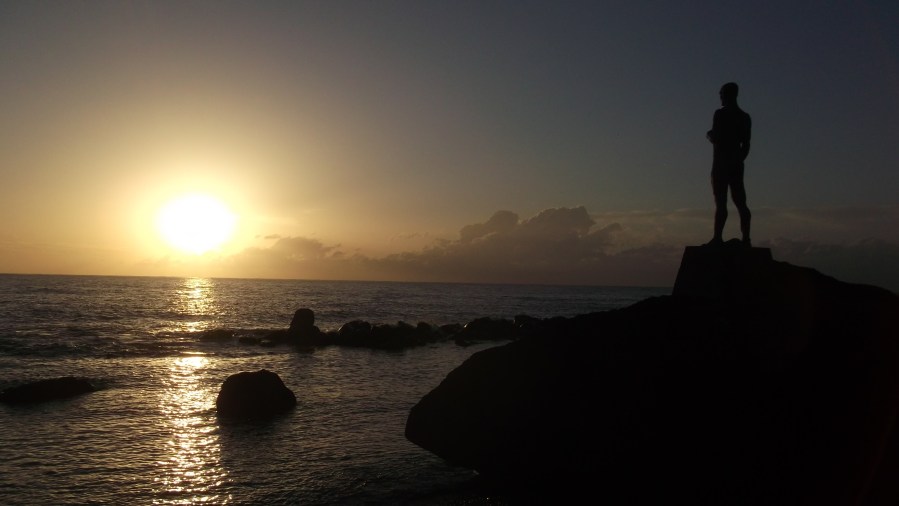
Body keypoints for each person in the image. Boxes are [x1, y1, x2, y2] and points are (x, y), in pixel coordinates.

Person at [706, 82, 752, 245]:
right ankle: (746, 238)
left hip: (721, 163)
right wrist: (738, 160)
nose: (720, 97)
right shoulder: (745, 117)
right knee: (740, 202)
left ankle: (718, 238)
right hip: (736, 163)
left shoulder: (720, 114)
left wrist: (709, 135)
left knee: (721, 202)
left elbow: (717, 137)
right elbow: (746, 145)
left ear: (727, 95)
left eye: (721, 94)